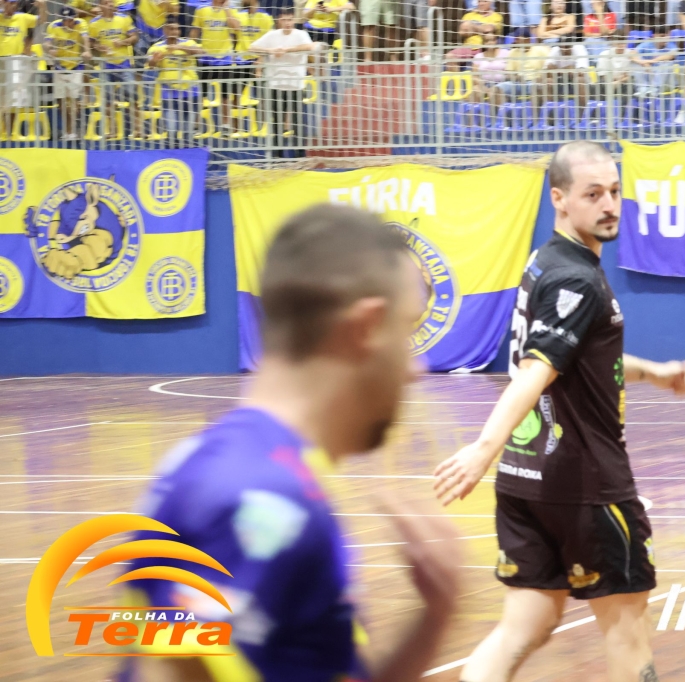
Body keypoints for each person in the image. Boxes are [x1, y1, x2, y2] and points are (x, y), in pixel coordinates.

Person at [119, 204, 462, 682]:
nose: (416, 370)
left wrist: (432, 622)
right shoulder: (261, 498)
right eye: (407, 332)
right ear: (365, 328)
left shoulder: (248, 468)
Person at [433, 141, 685, 682]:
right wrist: (482, 449)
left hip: (525, 483)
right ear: (559, 198)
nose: (609, 205)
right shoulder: (577, 279)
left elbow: (579, 356)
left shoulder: (545, 262)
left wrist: (653, 372)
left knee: (524, 626)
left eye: (615, 192)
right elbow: (535, 370)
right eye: (593, 194)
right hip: (587, 486)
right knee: (627, 631)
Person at [248, 8, 316, 157]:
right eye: (284, 20)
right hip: (276, 85)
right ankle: (277, 155)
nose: (287, 23)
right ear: (279, 20)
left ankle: (300, 154)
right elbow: (251, 47)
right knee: (277, 122)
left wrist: (286, 50)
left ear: (294, 20)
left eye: (290, 19)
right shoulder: (272, 35)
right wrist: (270, 51)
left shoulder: (301, 34)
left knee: (298, 121)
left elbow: (310, 46)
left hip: (295, 85)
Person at [146, 19, 202, 146]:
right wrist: (154, 60)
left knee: (188, 133)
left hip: (191, 92)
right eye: (171, 29)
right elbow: (150, 65)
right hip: (169, 93)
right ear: (164, 30)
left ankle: (187, 153)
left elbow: (201, 52)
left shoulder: (188, 42)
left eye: (177, 29)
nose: (175, 32)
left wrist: (178, 47)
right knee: (171, 130)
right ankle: (172, 153)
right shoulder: (157, 47)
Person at [89, 0, 139, 138]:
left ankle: (138, 129)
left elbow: (135, 37)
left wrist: (123, 42)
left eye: (111, 2)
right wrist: (99, 47)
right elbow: (92, 43)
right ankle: (112, 131)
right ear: (100, 6)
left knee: (132, 96)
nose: (109, 4)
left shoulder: (124, 18)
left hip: (124, 63)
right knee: (107, 100)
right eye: (106, 2)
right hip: (106, 65)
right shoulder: (94, 23)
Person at [191, 0, 239, 131]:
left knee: (225, 94)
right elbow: (195, 31)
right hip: (206, 58)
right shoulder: (201, 9)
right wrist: (191, 46)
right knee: (200, 93)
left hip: (224, 58)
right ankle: (196, 124)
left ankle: (225, 125)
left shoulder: (231, 9)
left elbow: (236, 27)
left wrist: (227, 9)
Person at [45, 7, 91, 141]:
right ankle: (68, 131)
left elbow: (85, 38)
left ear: (74, 18)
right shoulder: (54, 26)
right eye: (65, 20)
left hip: (76, 67)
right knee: (61, 101)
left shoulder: (81, 24)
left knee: (74, 99)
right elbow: (46, 43)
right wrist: (50, 49)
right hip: (59, 67)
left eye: (70, 20)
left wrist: (87, 51)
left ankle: (75, 130)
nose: (67, 23)